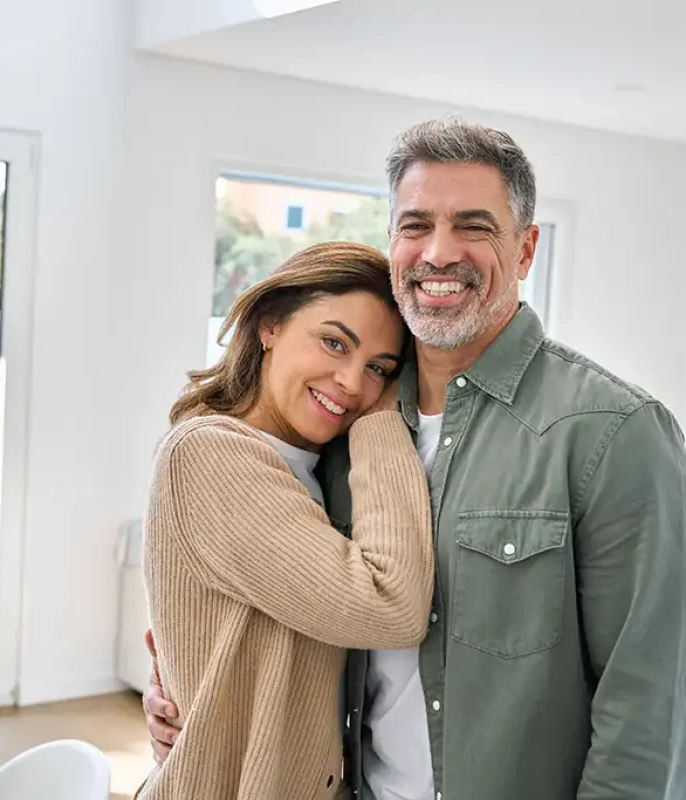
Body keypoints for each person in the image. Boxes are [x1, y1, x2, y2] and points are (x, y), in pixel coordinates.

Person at [144, 119, 686, 799]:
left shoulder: (613, 432)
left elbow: (648, 707)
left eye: (474, 227)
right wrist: (190, 704)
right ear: (392, 241)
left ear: (525, 249)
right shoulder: (339, 434)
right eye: (415, 224)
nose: (439, 252)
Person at [136, 241, 434, 799]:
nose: (351, 382)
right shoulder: (209, 451)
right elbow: (389, 606)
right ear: (270, 324)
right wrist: (382, 416)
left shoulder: (314, 468)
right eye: (333, 342)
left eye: (378, 368)